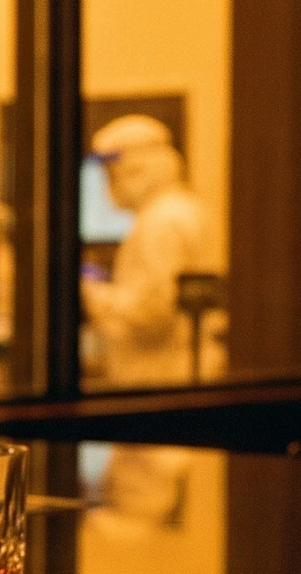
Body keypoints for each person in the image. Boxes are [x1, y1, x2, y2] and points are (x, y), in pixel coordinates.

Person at [80, 114, 215, 384]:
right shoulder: (179, 209)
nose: (108, 186)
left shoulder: (162, 221)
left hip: (160, 376)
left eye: (112, 175)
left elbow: (151, 314)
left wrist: (91, 292)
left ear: (136, 169)